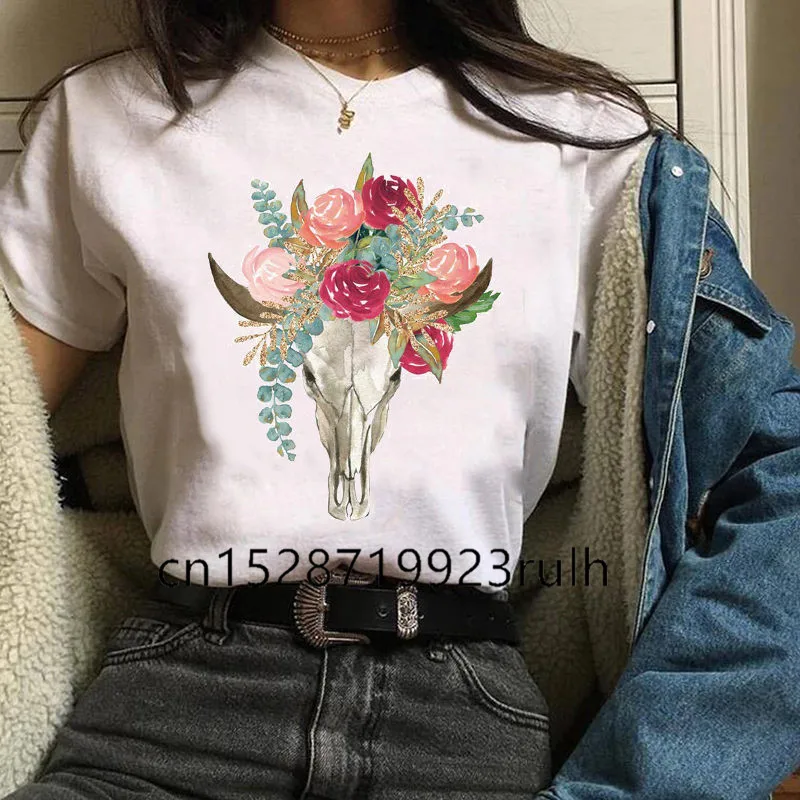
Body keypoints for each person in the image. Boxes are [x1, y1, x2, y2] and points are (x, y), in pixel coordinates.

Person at [2, 1, 798, 799]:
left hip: (457, 726)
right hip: (174, 717)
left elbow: (783, 470)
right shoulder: (107, 116)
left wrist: (650, 780)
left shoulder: (587, 140)